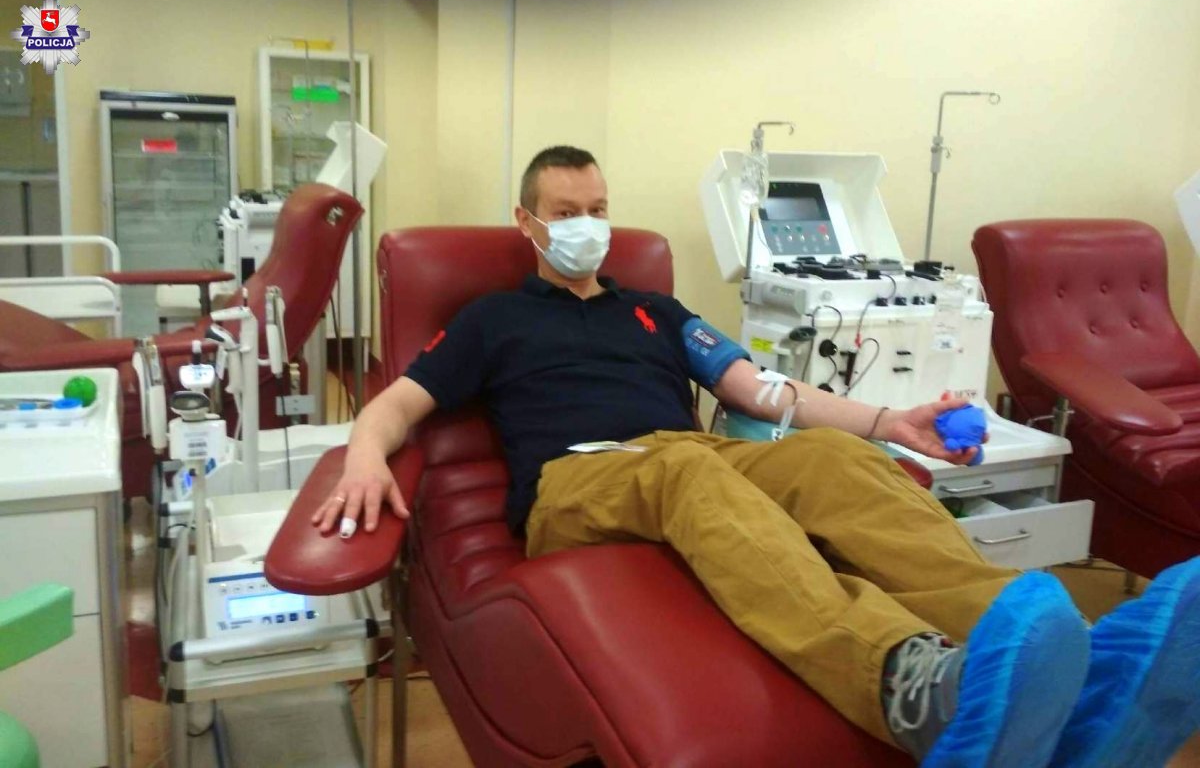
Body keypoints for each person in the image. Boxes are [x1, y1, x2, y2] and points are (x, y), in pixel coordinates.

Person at [312, 146, 1200, 767]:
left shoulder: (654, 310)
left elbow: (764, 390)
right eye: (566, 214)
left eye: (598, 211)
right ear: (527, 220)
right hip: (578, 481)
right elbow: (396, 401)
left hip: (687, 456)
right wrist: (362, 455)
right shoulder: (493, 319)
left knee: (830, 459)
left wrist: (891, 423)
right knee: (687, 468)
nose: (587, 227)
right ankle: (905, 681)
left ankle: (1068, 663)